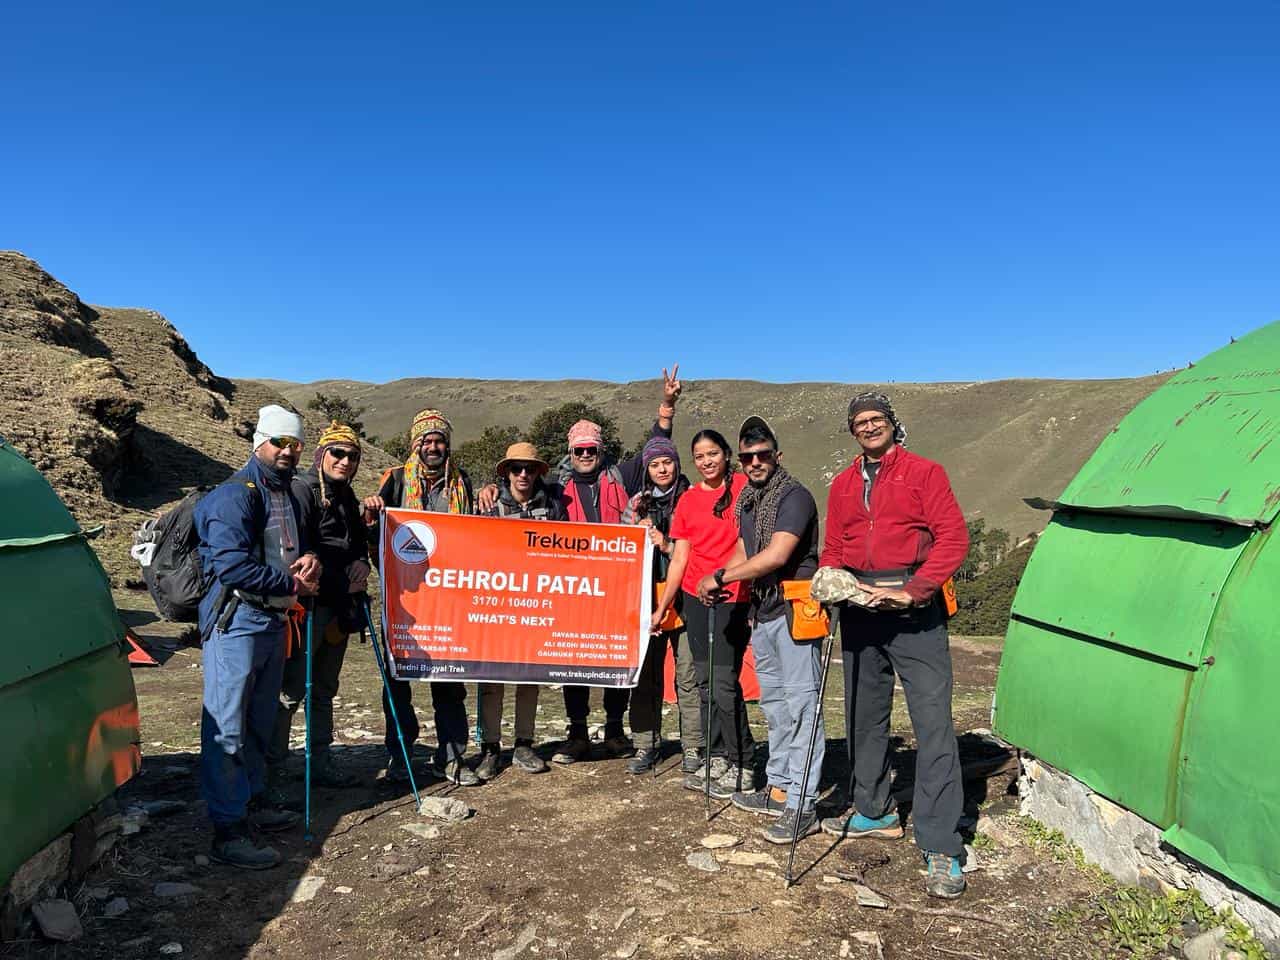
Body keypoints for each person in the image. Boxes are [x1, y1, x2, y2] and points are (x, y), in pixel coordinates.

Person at [481, 368, 684, 764]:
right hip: (573, 588)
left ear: (601, 451)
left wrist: (668, 406)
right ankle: (576, 732)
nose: (586, 456)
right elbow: (516, 488)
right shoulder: (555, 488)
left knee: (617, 654)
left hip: (621, 583)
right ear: (570, 453)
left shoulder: (621, 475)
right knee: (572, 658)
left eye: (592, 450)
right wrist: (489, 487)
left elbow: (656, 448)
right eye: (579, 451)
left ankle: (614, 729)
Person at [817, 393, 971, 899]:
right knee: (864, 715)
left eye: (876, 419)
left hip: (914, 609)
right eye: (860, 423)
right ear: (852, 432)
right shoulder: (841, 484)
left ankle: (941, 842)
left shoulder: (926, 473)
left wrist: (913, 590)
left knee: (933, 723)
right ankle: (874, 810)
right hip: (860, 609)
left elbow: (952, 538)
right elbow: (835, 547)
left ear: (891, 424)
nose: (869, 427)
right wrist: (831, 579)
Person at [195, 404, 320, 869]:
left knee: (258, 720)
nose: (288, 451)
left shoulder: (288, 493)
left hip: (271, 622)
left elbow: (290, 550)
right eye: (280, 443)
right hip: (237, 621)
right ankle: (227, 830)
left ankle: (252, 801)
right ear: (259, 442)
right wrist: (292, 585)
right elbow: (230, 566)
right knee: (227, 723)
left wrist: (311, 562)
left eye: (296, 444)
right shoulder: (234, 495)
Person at [696, 416, 823, 844]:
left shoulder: (794, 497)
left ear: (777, 455)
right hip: (764, 612)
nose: (754, 462)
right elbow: (745, 548)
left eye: (762, 454)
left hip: (795, 610)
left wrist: (721, 579)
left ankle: (803, 803)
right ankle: (779, 787)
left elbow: (775, 554)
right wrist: (722, 574)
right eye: (747, 456)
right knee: (775, 705)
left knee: (803, 704)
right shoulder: (749, 501)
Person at [363, 408, 480, 787]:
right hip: (404, 603)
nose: (433, 446)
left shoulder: (461, 483)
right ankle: (400, 754)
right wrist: (370, 514)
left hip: (448, 602)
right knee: (397, 681)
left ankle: (452, 755)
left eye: (439, 440)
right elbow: (374, 535)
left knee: (449, 680)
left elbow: (476, 533)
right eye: (426, 441)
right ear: (415, 444)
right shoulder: (395, 480)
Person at [266, 422, 371, 799]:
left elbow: (355, 545)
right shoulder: (301, 490)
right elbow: (300, 548)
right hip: (307, 608)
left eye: (352, 456)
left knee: (324, 688)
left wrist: (362, 563)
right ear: (320, 455)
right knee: (292, 689)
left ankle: (320, 761)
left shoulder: (347, 496)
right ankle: (271, 771)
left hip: (339, 608)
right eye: (338, 453)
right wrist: (327, 565)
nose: (345, 461)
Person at [652, 429, 755, 798]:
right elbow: (680, 555)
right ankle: (716, 754)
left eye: (713, 453)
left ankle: (743, 759)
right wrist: (664, 606)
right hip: (695, 598)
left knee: (725, 682)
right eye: (699, 456)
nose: (707, 461)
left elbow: (749, 542)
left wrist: (721, 577)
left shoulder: (745, 488)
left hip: (732, 594)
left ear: (727, 455)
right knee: (705, 680)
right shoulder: (689, 500)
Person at [473, 441, 567, 780]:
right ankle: (490, 748)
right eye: (516, 468)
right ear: (506, 473)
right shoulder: (488, 505)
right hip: (496, 606)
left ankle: (524, 744)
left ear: (539, 472)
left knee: (530, 678)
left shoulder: (553, 505)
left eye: (530, 468)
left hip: (538, 606)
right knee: (491, 679)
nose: (523, 474)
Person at [620, 435, 697, 775]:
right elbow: (620, 547)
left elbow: (700, 550)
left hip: (684, 599)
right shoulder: (637, 503)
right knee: (645, 675)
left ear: (676, 464)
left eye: (666, 462)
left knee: (688, 677)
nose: (661, 469)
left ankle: (694, 746)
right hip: (645, 598)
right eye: (654, 464)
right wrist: (633, 532)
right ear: (647, 470)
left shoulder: (694, 499)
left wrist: (666, 544)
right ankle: (644, 744)